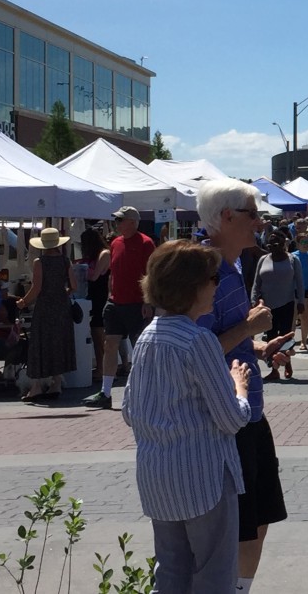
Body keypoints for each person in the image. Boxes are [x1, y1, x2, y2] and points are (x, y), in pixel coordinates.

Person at [121, 240, 252, 593]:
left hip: (156, 474)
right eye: (212, 278)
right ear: (192, 287)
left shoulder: (147, 337)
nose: (217, 284)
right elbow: (231, 418)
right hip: (203, 474)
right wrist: (238, 387)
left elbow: (129, 411)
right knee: (214, 574)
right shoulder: (199, 340)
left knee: (171, 571)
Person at [196, 179, 291, 592]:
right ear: (228, 217)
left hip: (247, 410)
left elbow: (223, 337)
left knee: (259, 518)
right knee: (242, 525)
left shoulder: (229, 269)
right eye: (252, 214)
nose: (259, 222)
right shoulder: (204, 274)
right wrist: (249, 328)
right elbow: (195, 352)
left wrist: (258, 345)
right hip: (226, 416)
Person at [84, 207, 155, 409]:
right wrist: (109, 295)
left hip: (136, 304)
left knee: (140, 348)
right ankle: (106, 392)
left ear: (133, 221)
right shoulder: (115, 243)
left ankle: (143, 392)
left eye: (121, 220)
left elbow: (151, 274)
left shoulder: (146, 243)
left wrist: (148, 302)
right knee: (110, 345)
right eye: (117, 220)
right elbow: (113, 273)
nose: (117, 224)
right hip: (115, 302)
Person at [17, 227, 76, 403]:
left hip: (45, 308)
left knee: (40, 345)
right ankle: (56, 383)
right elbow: (74, 285)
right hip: (62, 308)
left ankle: (36, 388)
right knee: (58, 343)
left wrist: (23, 302)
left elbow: (37, 288)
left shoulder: (39, 262)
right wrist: (63, 293)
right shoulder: (66, 261)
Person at [252, 232, 304, 381]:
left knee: (286, 336)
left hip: (287, 303)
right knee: (271, 337)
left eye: (276, 244)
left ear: (283, 245)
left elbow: (299, 283)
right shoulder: (263, 259)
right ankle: (274, 369)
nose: (273, 247)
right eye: (270, 245)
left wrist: (301, 302)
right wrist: (253, 300)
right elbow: (257, 283)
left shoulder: (293, 260)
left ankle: (287, 363)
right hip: (268, 305)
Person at [79, 226, 111, 380]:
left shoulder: (104, 254)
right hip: (91, 296)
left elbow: (95, 276)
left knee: (99, 336)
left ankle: (103, 369)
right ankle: (100, 367)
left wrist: (81, 269)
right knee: (95, 334)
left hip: (100, 296)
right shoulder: (91, 256)